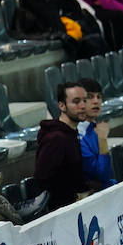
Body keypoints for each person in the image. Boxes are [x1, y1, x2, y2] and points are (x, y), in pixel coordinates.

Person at [34, 82, 92, 210]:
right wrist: (72, 196)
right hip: (63, 211)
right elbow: (42, 178)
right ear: (62, 106)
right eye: (76, 102)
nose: (83, 106)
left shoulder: (70, 133)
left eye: (84, 100)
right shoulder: (56, 139)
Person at [75, 77, 116, 190]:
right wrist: (102, 139)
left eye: (99, 97)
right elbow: (101, 175)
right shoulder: (77, 135)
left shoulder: (93, 128)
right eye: (90, 97)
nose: (96, 101)